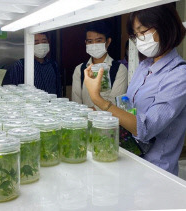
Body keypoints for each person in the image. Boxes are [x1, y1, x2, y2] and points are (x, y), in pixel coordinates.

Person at [83, 4, 186, 175]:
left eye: (143, 31)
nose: (139, 39)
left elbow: (145, 129)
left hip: (156, 171)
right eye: (136, 35)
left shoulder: (179, 75)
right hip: (130, 159)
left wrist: (98, 100)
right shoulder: (144, 66)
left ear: (165, 26)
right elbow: (127, 107)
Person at [72, 21, 128, 110]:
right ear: (86, 43)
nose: (94, 45)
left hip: (109, 122)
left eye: (99, 40)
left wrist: (87, 112)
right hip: (83, 122)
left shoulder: (120, 70)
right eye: (90, 41)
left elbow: (114, 104)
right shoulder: (79, 70)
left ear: (108, 42)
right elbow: (76, 103)